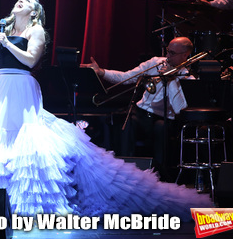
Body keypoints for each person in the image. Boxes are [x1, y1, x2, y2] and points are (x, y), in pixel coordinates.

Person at [0, 0, 211, 219]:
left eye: (28, 1)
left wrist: (7, 42)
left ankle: (31, 202)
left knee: (24, 137)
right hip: (2, 87)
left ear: (34, 12)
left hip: (21, 84)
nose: (22, 1)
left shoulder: (36, 31)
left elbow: (31, 61)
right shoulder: (7, 30)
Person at [82, 37, 194, 179]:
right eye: (167, 51)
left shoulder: (188, 78)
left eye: (172, 53)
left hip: (165, 120)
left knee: (161, 127)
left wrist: (171, 80)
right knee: (126, 122)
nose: (168, 56)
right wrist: (101, 72)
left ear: (185, 55)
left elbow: (180, 110)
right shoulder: (155, 63)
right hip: (142, 114)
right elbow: (126, 77)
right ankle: (122, 171)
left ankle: (160, 175)